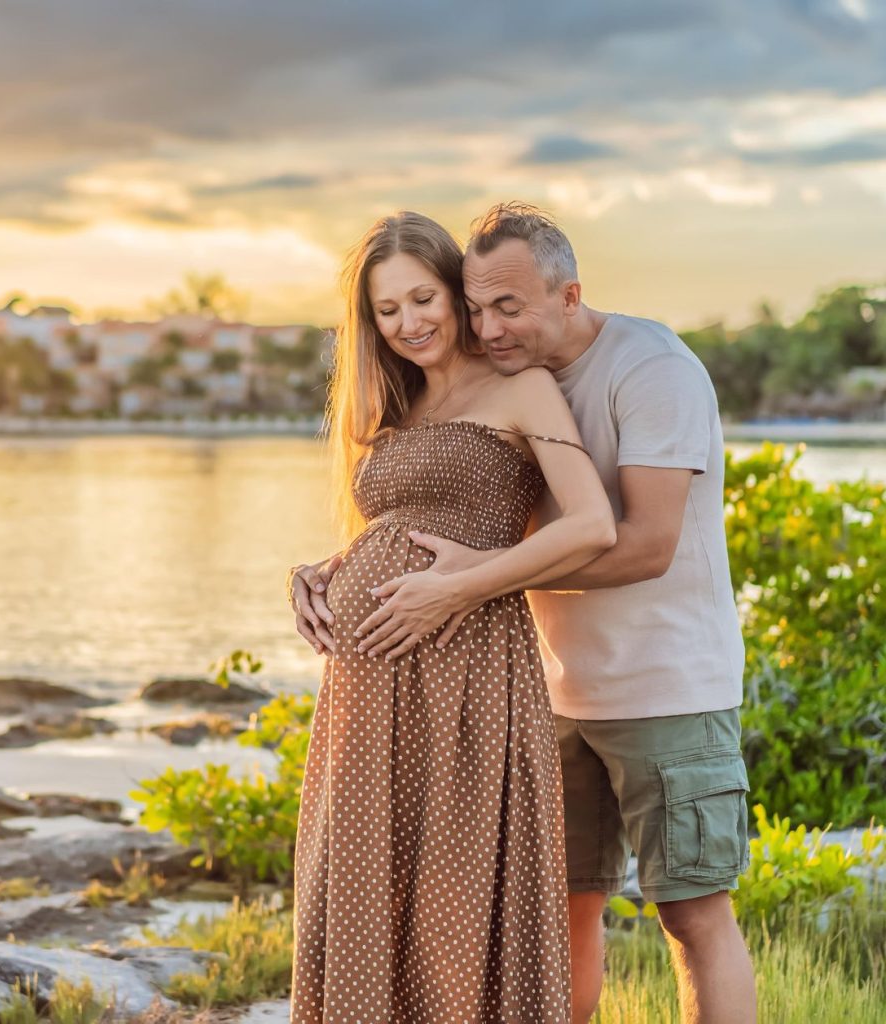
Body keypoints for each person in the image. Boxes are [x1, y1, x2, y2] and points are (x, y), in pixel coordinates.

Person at [294, 202, 756, 1024]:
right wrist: (338, 568)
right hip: (551, 685)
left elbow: (638, 542)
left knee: (690, 910)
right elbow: (434, 518)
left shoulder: (646, 368)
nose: (488, 325)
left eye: (505, 307)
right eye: (478, 306)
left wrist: (472, 585)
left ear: (567, 294)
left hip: (664, 682)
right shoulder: (439, 391)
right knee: (562, 910)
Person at [287, 210, 616, 1023]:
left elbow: (591, 525)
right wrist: (327, 568)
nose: (407, 324)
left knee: (453, 902)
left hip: (470, 679)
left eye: (423, 298)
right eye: (386, 310)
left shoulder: (522, 388)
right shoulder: (400, 406)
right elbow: (402, 527)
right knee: (367, 890)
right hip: (366, 698)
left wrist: (461, 588)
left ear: (457, 292)